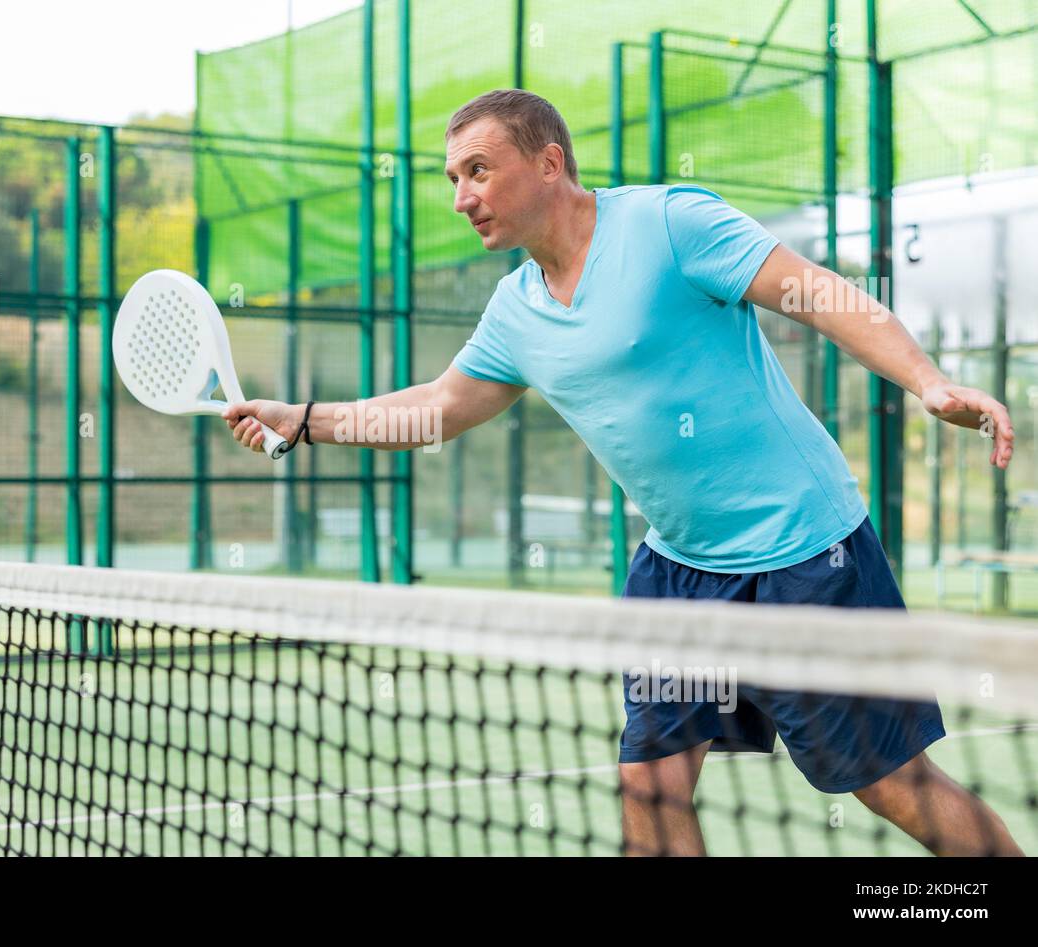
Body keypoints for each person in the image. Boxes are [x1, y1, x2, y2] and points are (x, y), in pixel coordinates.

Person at [222, 89, 1021, 856]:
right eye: (452, 179)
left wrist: (927, 379)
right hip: (679, 571)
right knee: (649, 785)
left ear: (548, 163)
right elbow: (438, 408)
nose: (462, 197)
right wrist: (305, 421)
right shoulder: (516, 310)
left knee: (889, 784)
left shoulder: (671, 223)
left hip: (808, 554)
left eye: (478, 170)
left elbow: (818, 295)